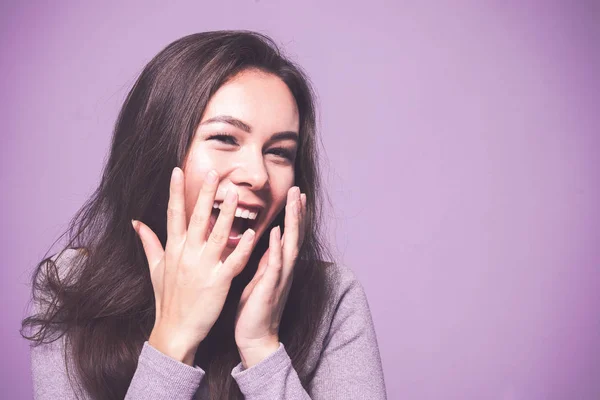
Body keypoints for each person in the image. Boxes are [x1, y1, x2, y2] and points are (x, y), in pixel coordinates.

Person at [21, 30, 387, 399]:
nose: (258, 176)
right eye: (226, 138)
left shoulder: (332, 296)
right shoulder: (72, 285)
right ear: (158, 150)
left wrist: (262, 349)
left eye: (279, 152)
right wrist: (173, 339)